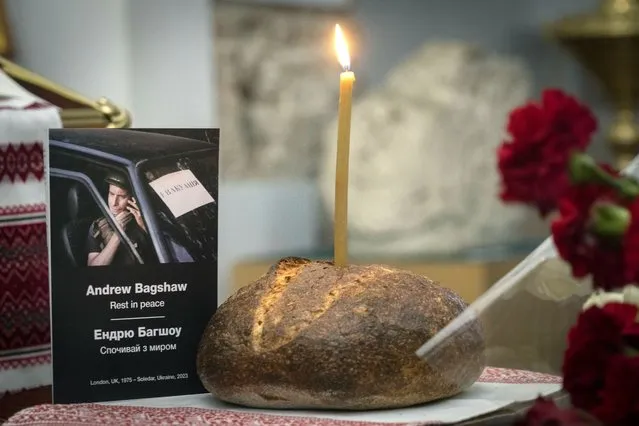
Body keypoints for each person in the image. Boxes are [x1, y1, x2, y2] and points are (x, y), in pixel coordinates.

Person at [86, 173, 152, 266]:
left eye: (122, 196)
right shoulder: (98, 226)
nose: (114, 203)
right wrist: (118, 233)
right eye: (111, 194)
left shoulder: (146, 220)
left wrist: (145, 226)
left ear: (132, 199)